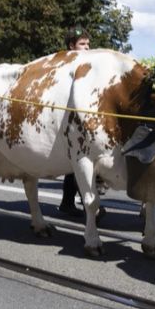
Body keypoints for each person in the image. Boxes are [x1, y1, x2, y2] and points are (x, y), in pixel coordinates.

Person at [58, 27, 106, 222]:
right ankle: (89, 205)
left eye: (88, 44)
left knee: (75, 164)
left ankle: (67, 203)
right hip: (66, 121)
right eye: (82, 44)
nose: (87, 47)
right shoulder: (65, 64)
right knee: (80, 163)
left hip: (80, 119)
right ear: (72, 46)